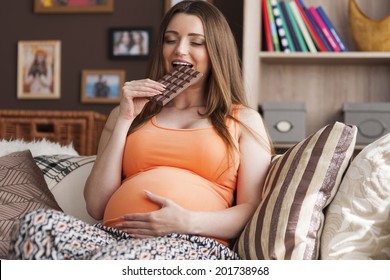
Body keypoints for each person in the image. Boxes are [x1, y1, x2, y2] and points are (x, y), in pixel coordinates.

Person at [9, 0, 272, 260]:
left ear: (217, 51)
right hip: (109, 239)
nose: (180, 50)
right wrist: (124, 119)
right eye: (171, 39)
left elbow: (252, 209)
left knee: (120, 260)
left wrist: (187, 221)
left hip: (193, 243)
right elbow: (96, 205)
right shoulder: (129, 114)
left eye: (196, 42)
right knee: (36, 225)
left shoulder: (243, 120)